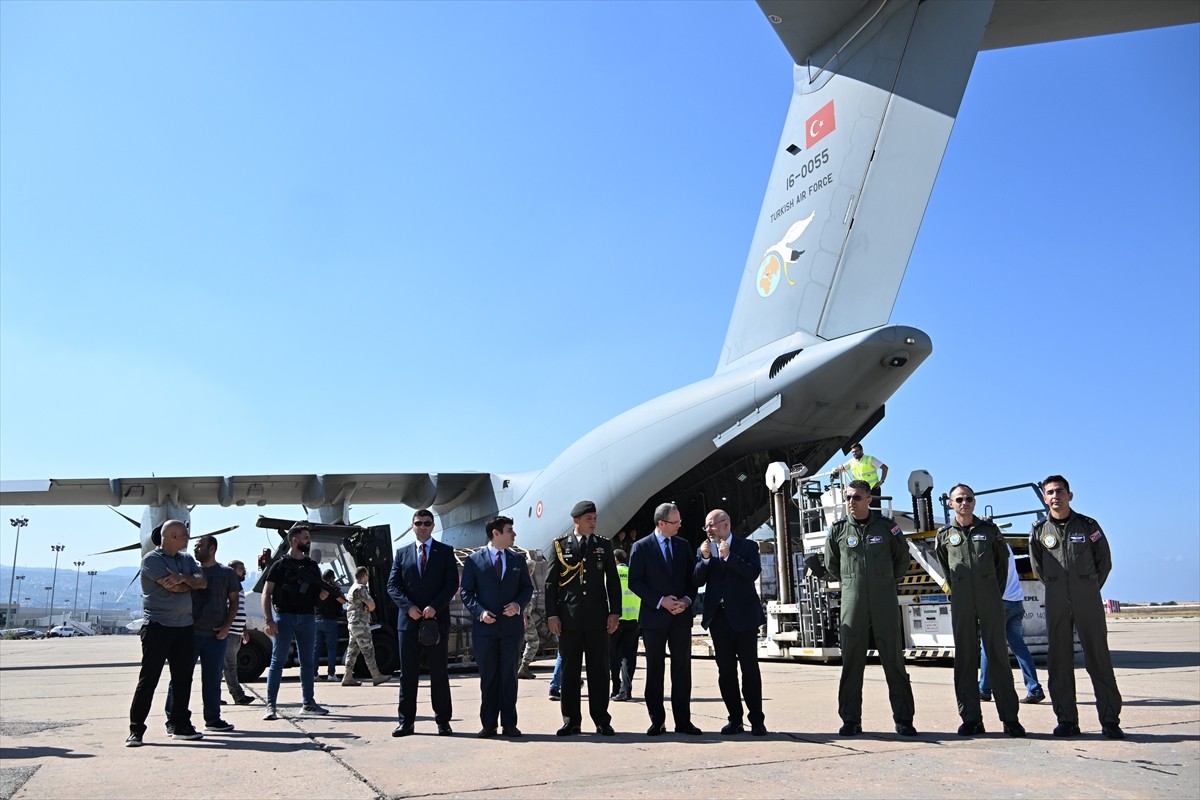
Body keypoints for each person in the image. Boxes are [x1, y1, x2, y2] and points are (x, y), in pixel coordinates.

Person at [1029, 475, 1123, 739]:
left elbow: (1104, 561)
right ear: (1044, 498)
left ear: (1070, 495)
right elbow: (1038, 567)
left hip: (1087, 598)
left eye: (1060, 491)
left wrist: (1088, 587)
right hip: (1056, 599)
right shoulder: (1039, 531)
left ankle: (1110, 721)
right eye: (1050, 492)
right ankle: (1067, 721)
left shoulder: (1088, 526)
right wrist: (1059, 587)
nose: (1055, 496)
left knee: (1098, 659)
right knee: (1059, 661)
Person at [824, 480, 916, 737]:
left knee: (893, 659)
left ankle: (904, 719)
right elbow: (832, 564)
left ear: (868, 500)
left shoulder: (887, 527)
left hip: (884, 598)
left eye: (856, 497)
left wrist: (884, 581)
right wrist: (852, 582)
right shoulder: (838, 530)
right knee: (852, 662)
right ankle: (850, 719)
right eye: (848, 497)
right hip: (853, 600)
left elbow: (902, 559)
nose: (850, 502)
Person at [934, 485, 1025, 737]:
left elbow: (1002, 565)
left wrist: (991, 591)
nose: (965, 503)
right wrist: (961, 591)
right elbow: (945, 568)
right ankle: (971, 719)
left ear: (974, 502)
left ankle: (1010, 719)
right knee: (965, 659)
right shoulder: (944, 535)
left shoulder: (989, 531)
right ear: (951, 503)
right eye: (959, 499)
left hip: (990, 600)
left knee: (998, 657)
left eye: (969, 499)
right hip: (962, 601)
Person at [126, 519, 207, 746]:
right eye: (184, 535)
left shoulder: (186, 559)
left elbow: (202, 581)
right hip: (158, 628)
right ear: (172, 536)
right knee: (149, 679)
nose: (188, 538)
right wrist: (188, 582)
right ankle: (136, 730)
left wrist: (183, 578)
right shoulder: (152, 560)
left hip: (184, 628)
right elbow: (174, 587)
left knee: (183, 679)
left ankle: (180, 725)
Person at [544, 500, 621, 737]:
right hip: (569, 619)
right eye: (589, 519)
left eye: (595, 518)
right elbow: (551, 584)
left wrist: (615, 612)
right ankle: (571, 721)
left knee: (599, 671)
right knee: (570, 672)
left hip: (597, 618)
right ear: (576, 520)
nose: (593, 522)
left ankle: (601, 720)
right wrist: (552, 615)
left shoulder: (603, 545)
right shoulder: (560, 546)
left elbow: (613, 581)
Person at [629, 503, 700, 736]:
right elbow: (635, 582)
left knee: (682, 669)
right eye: (675, 522)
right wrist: (661, 601)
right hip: (655, 617)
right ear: (661, 523)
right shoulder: (641, 547)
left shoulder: (683, 545)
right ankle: (657, 720)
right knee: (655, 669)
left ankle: (683, 721)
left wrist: (686, 600)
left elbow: (692, 579)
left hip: (680, 617)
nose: (679, 525)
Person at [386, 509, 459, 737]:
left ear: (433, 525)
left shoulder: (445, 552)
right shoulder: (402, 553)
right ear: (412, 526)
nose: (423, 527)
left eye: (427, 523)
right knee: (408, 674)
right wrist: (408, 607)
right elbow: (392, 586)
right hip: (408, 623)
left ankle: (443, 721)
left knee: (439, 673)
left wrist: (435, 606)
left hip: (436, 621)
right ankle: (406, 722)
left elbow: (451, 584)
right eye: (419, 523)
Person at [695, 508, 767, 736]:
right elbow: (697, 580)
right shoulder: (704, 549)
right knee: (726, 670)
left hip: (744, 617)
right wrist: (705, 559)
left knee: (750, 669)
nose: (708, 530)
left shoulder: (747, 547)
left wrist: (729, 557)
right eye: (706, 526)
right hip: (719, 618)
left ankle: (757, 719)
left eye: (711, 525)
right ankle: (734, 718)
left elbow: (752, 573)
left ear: (725, 523)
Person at [460, 516, 534, 737]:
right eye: (510, 530)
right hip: (485, 629)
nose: (514, 534)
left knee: (508, 676)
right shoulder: (474, 560)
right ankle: (489, 723)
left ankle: (509, 723)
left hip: (511, 629)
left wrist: (518, 605)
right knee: (489, 677)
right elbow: (466, 592)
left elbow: (527, 589)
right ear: (496, 533)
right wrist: (480, 612)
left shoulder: (517, 560)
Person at [165, 534, 241, 735]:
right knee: (180, 678)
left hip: (216, 636)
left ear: (212, 548)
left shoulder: (227, 573)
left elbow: (234, 602)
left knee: (213, 679)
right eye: (195, 546)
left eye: (200, 546)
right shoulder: (189, 572)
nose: (195, 549)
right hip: (189, 634)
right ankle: (173, 720)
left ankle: (213, 719)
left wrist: (227, 626)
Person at [261, 522, 331, 721]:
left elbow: (316, 594)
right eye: (305, 538)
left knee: (308, 662)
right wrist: (269, 620)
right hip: (285, 617)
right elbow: (266, 593)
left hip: (308, 617)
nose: (309, 541)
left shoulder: (312, 566)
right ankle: (271, 706)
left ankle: (308, 703)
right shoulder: (280, 565)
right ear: (294, 540)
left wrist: (322, 596)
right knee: (277, 661)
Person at [978, 544, 1046, 705]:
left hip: (1000, 603)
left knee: (987, 646)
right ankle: (1034, 689)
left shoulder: (988, 549)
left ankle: (984, 689)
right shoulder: (1006, 547)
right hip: (1016, 602)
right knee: (1020, 648)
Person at [340, 567, 393, 687]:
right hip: (361, 624)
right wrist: (368, 607)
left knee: (353, 651)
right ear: (364, 576)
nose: (368, 578)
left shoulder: (352, 587)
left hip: (353, 623)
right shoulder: (361, 588)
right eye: (367, 576)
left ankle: (347, 677)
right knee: (368, 650)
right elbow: (372, 605)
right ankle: (376, 675)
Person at [221, 559, 254, 706]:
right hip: (229, 632)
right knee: (229, 666)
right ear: (232, 570)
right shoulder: (228, 585)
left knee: (227, 666)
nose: (244, 571)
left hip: (236, 632)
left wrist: (243, 629)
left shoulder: (238, 587)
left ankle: (215, 696)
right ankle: (238, 696)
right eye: (241, 569)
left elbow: (240, 610)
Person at [608, 548, 640, 702]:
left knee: (613, 656)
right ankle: (626, 690)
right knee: (628, 656)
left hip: (614, 620)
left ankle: (615, 688)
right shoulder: (633, 573)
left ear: (615, 559)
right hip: (633, 619)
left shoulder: (611, 574)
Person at [314, 568, 347, 682]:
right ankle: (331, 674)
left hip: (317, 620)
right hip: (329, 621)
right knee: (331, 649)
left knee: (316, 649)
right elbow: (343, 601)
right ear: (332, 578)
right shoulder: (333, 588)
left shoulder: (317, 587)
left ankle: (314, 674)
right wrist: (336, 589)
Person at [833, 443, 889, 508]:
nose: (854, 453)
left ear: (862, 450)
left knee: (875, 510)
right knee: (860, 509)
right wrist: (840, 466)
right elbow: (841, 467)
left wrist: (882, 481)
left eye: (856, 451)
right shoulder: (851, 462)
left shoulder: (870, 459)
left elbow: (885, 468)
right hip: (860, 490)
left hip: (873, 489)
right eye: (853, 452)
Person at [517, 559, 541, 680]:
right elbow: (523, 600)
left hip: (519, 614)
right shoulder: (524, 580)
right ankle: (524, 667)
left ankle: (518, 667)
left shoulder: (517, 578)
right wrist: (525, 616)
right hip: (523, 615)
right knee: (533, 641)